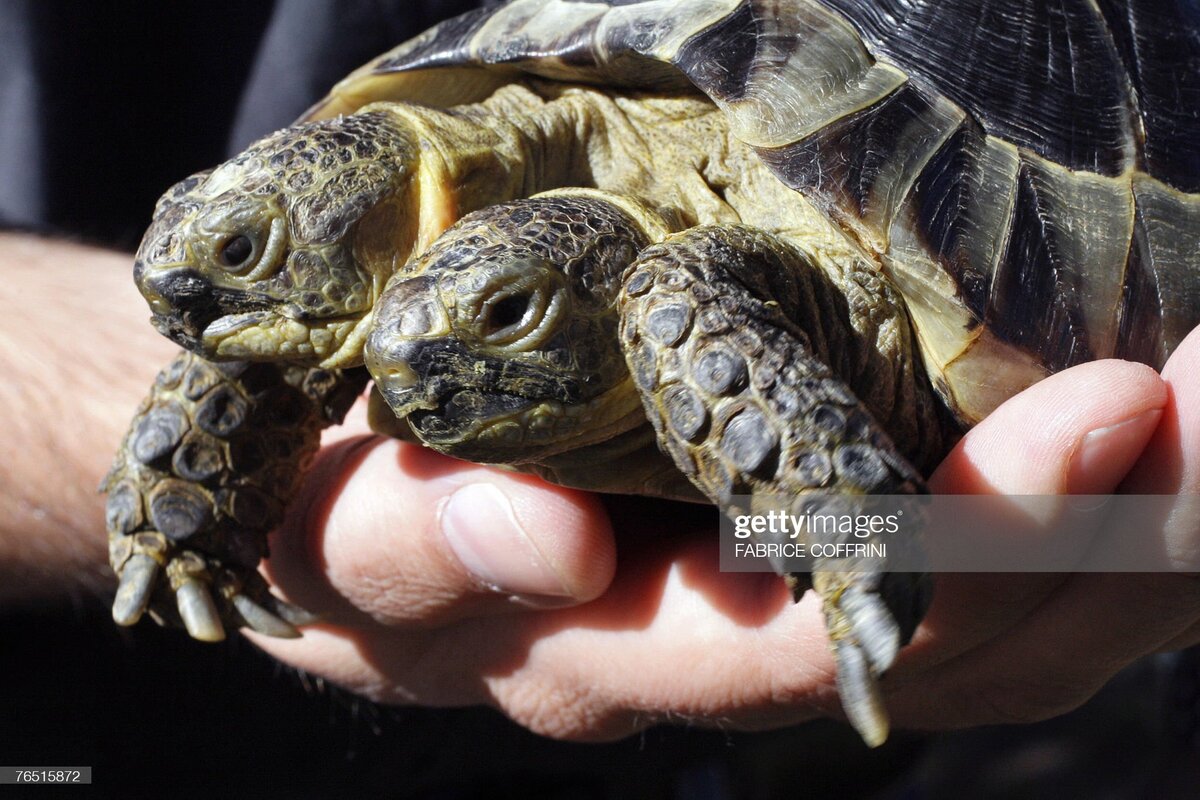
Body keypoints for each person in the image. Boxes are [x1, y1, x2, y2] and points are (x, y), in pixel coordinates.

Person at [3, 1, 1200, 794]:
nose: (409, 359)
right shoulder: (391, 249)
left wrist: (837, 516)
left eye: (252, 251)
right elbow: (281, 339)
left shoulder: (681, 286)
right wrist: (161, 473)